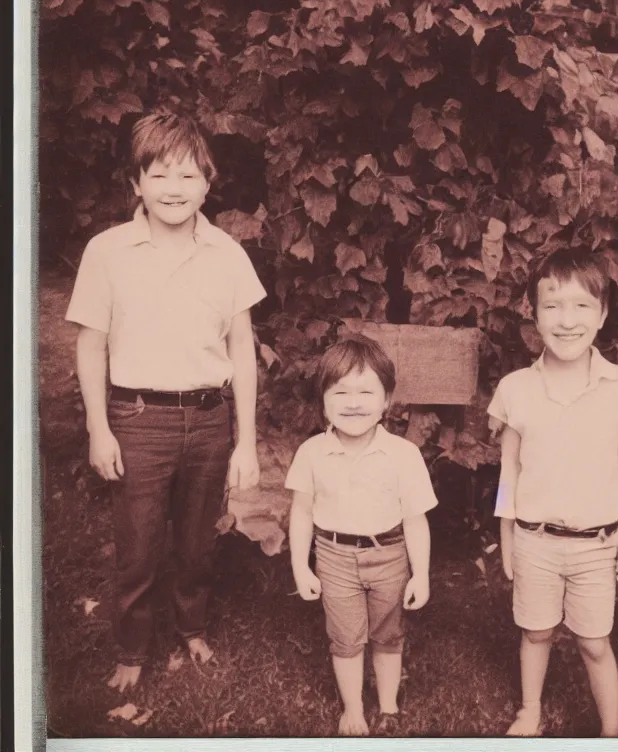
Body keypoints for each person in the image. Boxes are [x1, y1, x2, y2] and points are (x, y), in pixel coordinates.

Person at [66, 112, 266, 692]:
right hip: (137, 419)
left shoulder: (227, 252)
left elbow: (243, 349)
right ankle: (131, 649)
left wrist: (246, 441)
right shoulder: (107, 252)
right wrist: (97, 428)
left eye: (186, 176)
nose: (173, 189)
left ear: (207, 182)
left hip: (209, 418)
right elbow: (91, 344)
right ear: (136, 183)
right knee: (138, 544)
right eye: (159, 175)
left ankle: (192, 625)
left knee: (199, 541)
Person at [489, 246, 618, 738]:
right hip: (536, 539)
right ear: (534, 315)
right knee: (536, 631)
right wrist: (508, 536)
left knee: (594, 641)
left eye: (582, 306)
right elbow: (509, 469)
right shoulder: (515, 388)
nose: (566, 321)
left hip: (597, 543)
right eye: (552, 305)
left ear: (602, 315)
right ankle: (530, 710)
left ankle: (611, 731)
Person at [285, 335, 437, 737]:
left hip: (389, 555)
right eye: (341, 392)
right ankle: (353, 708)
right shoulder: (312, 453)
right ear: (323, 402)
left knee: (388, 633)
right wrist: (301, 567)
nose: (354, 403)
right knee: (346, 638)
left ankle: (387, 705)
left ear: (387, 400)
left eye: (366, 391)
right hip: (334, 557)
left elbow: (415, 520)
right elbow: (301, 513)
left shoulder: (403, 455)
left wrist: (420, 574)